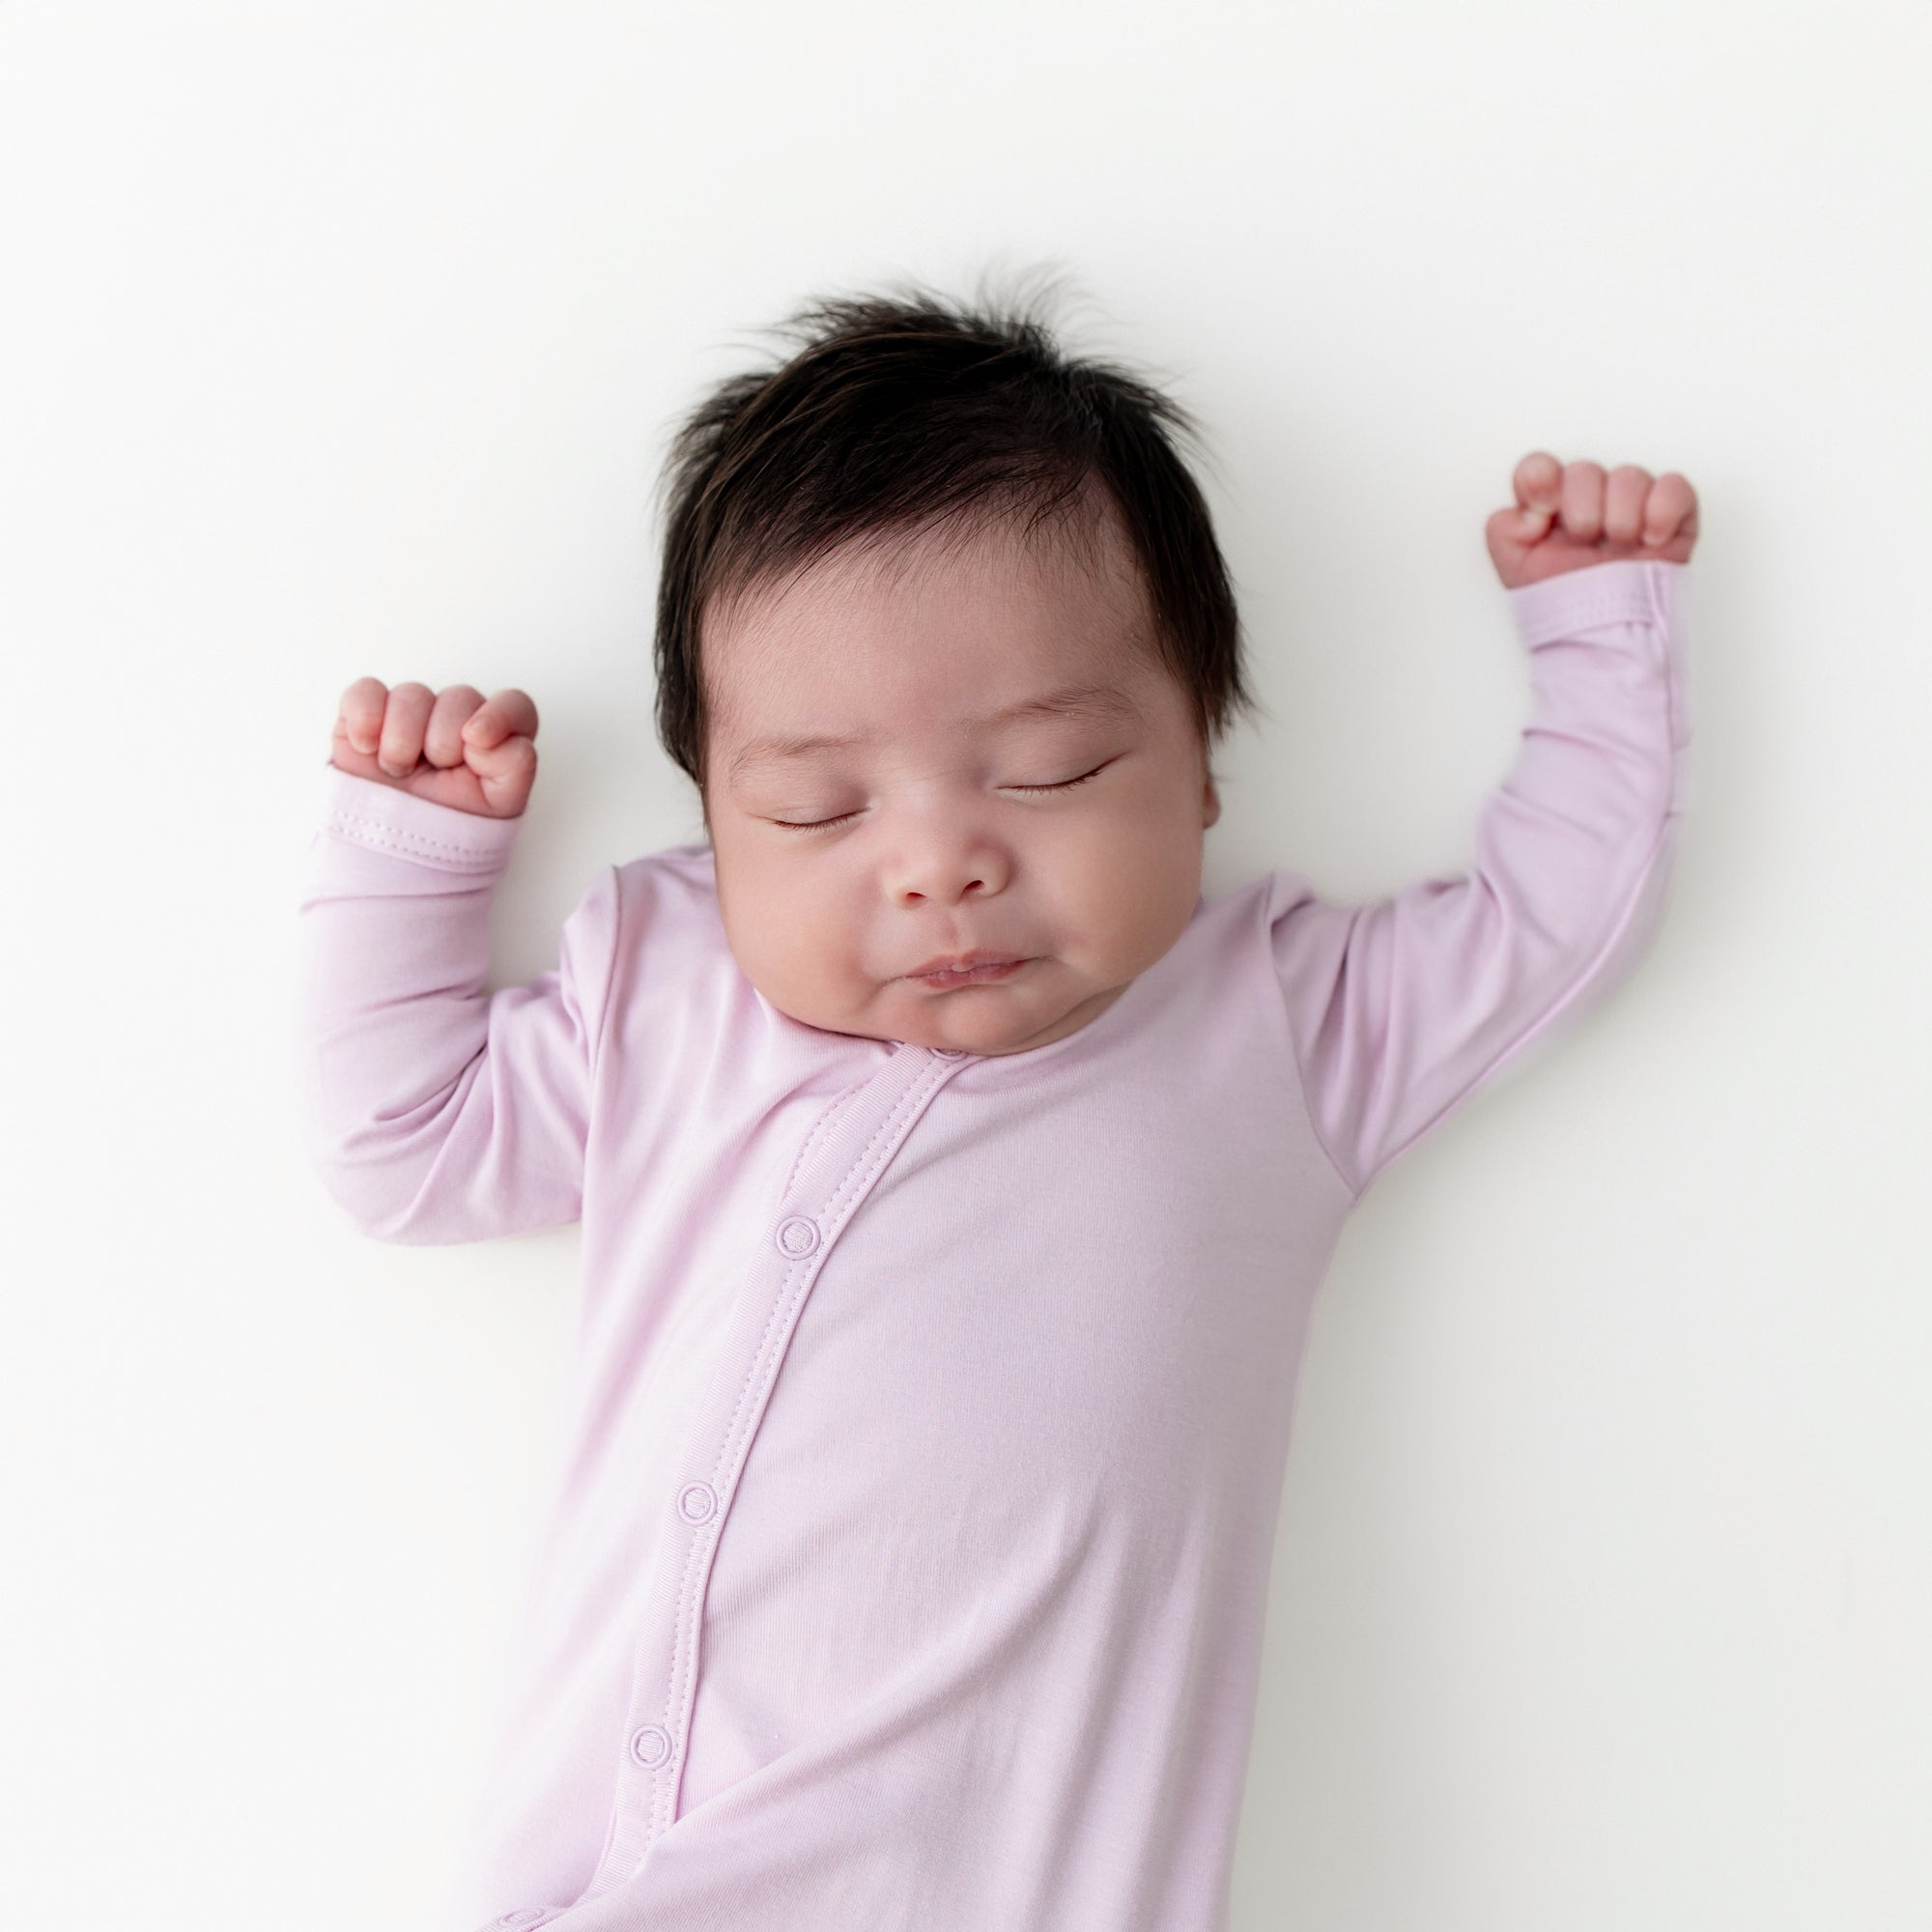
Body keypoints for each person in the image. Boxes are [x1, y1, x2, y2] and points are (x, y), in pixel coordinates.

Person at [293, 281, 1698, 1932]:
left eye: (1049, 774)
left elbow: (1552, 922)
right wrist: (412, 858)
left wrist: (1602, 631)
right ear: (717, 831)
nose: (942, 860)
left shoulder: (1278, 1029)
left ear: (1201, 770)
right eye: (816, 806)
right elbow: (404, 1146)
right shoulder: (662, 986)